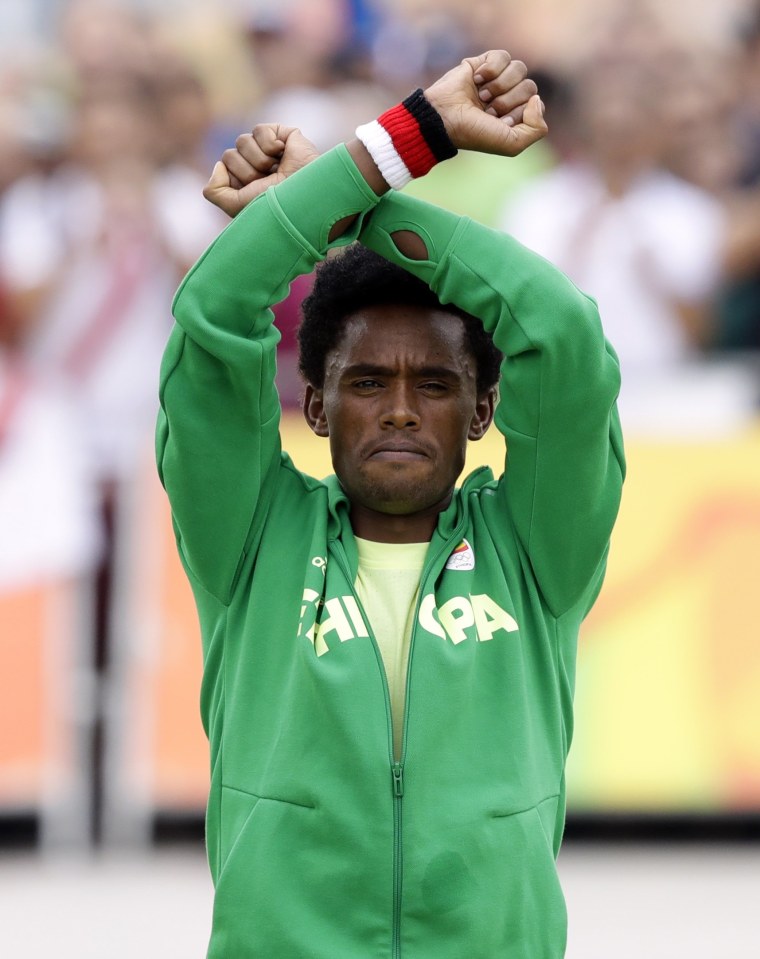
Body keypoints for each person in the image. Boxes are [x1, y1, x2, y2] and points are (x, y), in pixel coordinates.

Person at [157, 50, 625, 959]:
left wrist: (358, 199)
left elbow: (562, 332)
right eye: (367, 381)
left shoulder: (536, 549)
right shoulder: (251, 537)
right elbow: (214, 309)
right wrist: (409, 139)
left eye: (437, 383)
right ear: (318, 405)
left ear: (485, 408)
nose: (402, 408)